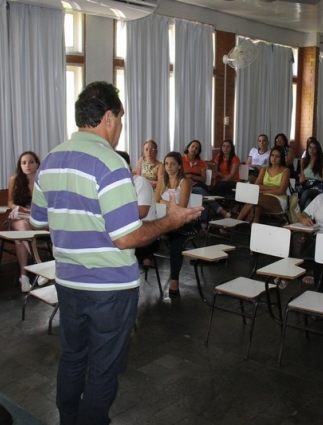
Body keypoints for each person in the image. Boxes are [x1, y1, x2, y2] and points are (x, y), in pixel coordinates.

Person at [30, 81, 201, 425]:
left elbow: (39, 219)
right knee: (104, 367)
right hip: (109, 289)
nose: (120, 127)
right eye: (120, 119)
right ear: (108, 117)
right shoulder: (110, 164)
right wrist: (170, 221)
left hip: (68, 281)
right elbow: (127, 238)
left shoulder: (50, 159)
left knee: (74, 358)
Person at [155, 151, 194, 297]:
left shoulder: (185, 182)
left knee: (176, 241)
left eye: (172, 164)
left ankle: (174, 280)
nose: (169, 166)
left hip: (182, 221)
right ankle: (146, 260)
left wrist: (164, 202)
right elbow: (155, 200)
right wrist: (169, 204)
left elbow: (181, 207)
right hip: (163, 219)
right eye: (166, 163)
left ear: (179, 166)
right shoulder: (161, 180)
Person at [7, 151, 44, 292]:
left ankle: (24, 277)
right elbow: (9, 202)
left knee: (20, 239)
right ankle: (39, 266)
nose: (27, 165)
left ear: (37, 164)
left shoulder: (43, 180)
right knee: (22, 226)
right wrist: (20, 208)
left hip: (38, 219)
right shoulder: (15, 179)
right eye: (24, 162)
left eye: (31, 162)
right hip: (19, 218)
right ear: (20, 165)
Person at [117, 151, 159, 268]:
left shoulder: (140, 182)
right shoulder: (117, 184)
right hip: (126, 231)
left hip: (144, 232)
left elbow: (141, 213)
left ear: (127, 165)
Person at [182, 140, 229, 229]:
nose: (194, 149)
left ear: (198, 151)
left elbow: (203, 179)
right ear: (188, 147)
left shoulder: (201, 162)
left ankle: (203, 226)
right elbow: (177, 175)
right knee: (202, 193)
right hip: (184, 186)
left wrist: (191, 176)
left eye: (197, 148)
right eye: (192, 146)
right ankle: (219, 210)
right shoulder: (180, 159)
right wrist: (186, 179)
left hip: (197, 185)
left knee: (202, 195)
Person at [236, 146, 290, 224]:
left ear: (281, 158)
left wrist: (264, 189)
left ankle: (237, 222)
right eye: (272, 155)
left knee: (254, 198)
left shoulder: (286, 171)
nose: (274, 158)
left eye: (277, 156)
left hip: (278, 200)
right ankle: (252, 231)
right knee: (257, 208)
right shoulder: (264, 169)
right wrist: (274, 188)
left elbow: (281, 191)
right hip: (262, 199)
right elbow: (257, 186)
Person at [298, 138, 323, 210]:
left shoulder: (321, 163)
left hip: (318, 186)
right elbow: (302, 177)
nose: (311, 150)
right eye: (310, 147)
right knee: (308, 201)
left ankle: (298, 213)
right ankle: (304, 218)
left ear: (317, 150)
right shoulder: (303, 161)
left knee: (306, 193)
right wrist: (303, 178)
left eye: (314, 148)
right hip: (306, 185)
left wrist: (309, 179)